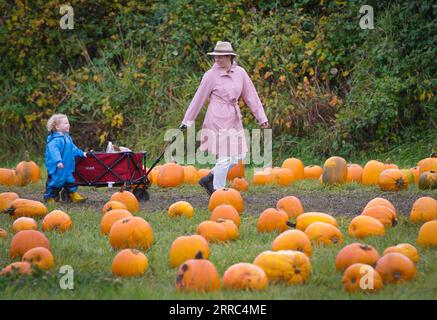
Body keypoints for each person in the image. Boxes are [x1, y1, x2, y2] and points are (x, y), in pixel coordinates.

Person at [180, 41, 269, 196]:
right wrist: (187, 121)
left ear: (230, 56)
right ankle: (219, 193)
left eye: (221, 56)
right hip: (217, 118)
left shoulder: (240, 73)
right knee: (226, 155)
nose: (218, 59)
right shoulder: (210, 75)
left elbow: (251, 96)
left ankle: (209, 178)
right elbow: (198, 99)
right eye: (216, 56)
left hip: (234, 118)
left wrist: (261, 117)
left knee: (238, 155)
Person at [44, 114, 88, 203]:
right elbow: (54, 152)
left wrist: (81, 153)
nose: (68, 125)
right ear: (57, 127)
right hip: (57, 168)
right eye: (65, 123)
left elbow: (73, 148)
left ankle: (73, 194)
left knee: (70, 181)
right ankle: (50, 197)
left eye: (68, 123)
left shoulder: (67, 138)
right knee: (55, 182)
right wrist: (58, 161)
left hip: (68, 167)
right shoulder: (54, 141)